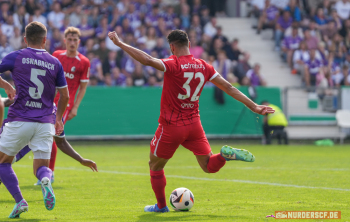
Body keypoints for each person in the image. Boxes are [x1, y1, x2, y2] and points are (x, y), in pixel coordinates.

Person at [108, 29, 275, 213]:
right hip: (194, 124)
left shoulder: (173, 63)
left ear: (172, 47)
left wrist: (121, 44)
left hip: (171, 126)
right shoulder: (204, 65)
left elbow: (147, 60)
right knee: (208, 166)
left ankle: (161, 207)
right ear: (189, 45)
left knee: (155, 166)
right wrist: (254, 106)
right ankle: (223, 155)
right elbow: (228, 87)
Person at [0, 21, 68, 218]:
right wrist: (59, 119)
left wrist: (5, 84)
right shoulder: (55, 63)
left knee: (2, 163)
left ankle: (20, 201)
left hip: (19, 119)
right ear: (45, 40)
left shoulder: (17, 56)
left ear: (25, 39)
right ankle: (46, 181)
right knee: (41, 168)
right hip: (45, 123)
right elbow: (65, 96)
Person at [14, 27, 91, 186]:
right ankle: (46, 173)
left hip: (64, 105)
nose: (72, 42)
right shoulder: (56, 56)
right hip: (47, 102)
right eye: (69, 39)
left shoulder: (84, 62)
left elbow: (83, 87)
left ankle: (46, 172)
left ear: (79, 42)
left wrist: (75, 107)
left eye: (74, 40)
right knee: (48, 136)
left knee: (50, 136)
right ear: (65, 41)